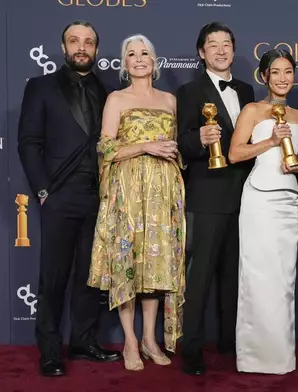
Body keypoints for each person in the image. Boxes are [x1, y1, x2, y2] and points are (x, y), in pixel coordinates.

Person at [17, 20, 121, 377]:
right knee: (54, 276)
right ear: (63, 48)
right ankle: (49, 350)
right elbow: (29, 143)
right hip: (59, 194)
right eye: (74, 41)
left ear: (96, 49)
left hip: (99, 195)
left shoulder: (111, 93)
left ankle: (84, 340)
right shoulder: (41, 87)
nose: (82, 47)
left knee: (91, 276)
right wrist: (43, 190)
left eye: (89, 42)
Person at [87, 34, 186, 371]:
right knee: (128, 262)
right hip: (127, 191)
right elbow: (105, 147)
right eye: (132, 54)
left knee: (155, 266)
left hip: (163, 192)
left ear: (154, 61)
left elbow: (177, 145)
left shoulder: (171, 100)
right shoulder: (116, 98)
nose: (139, 58)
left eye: (145, 53)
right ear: (124, 63)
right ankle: (130, 340)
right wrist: (146, 147)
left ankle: (150, 338)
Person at [177, 21, 255, 376]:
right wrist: (200, 138)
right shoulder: (189, 92)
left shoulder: (247, 89)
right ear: (201, 52)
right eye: (213, 45)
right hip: (207, 196)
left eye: (227, 44)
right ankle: (191, 348)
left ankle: (230, 341)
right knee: (200, 278)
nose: (221, 50)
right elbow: (181, 144)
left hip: (247, 197)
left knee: (234, 277)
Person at [228, 49, 298, 375]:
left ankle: (281, 358)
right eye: (276, 72)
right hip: (259, 200)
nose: (283, 78)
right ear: (264, 76)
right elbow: (234, 153)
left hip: (290, 201)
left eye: (288, 71)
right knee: (258, 278)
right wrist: (271, 141)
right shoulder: (253, 110)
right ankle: (253, 357)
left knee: (284, 282)